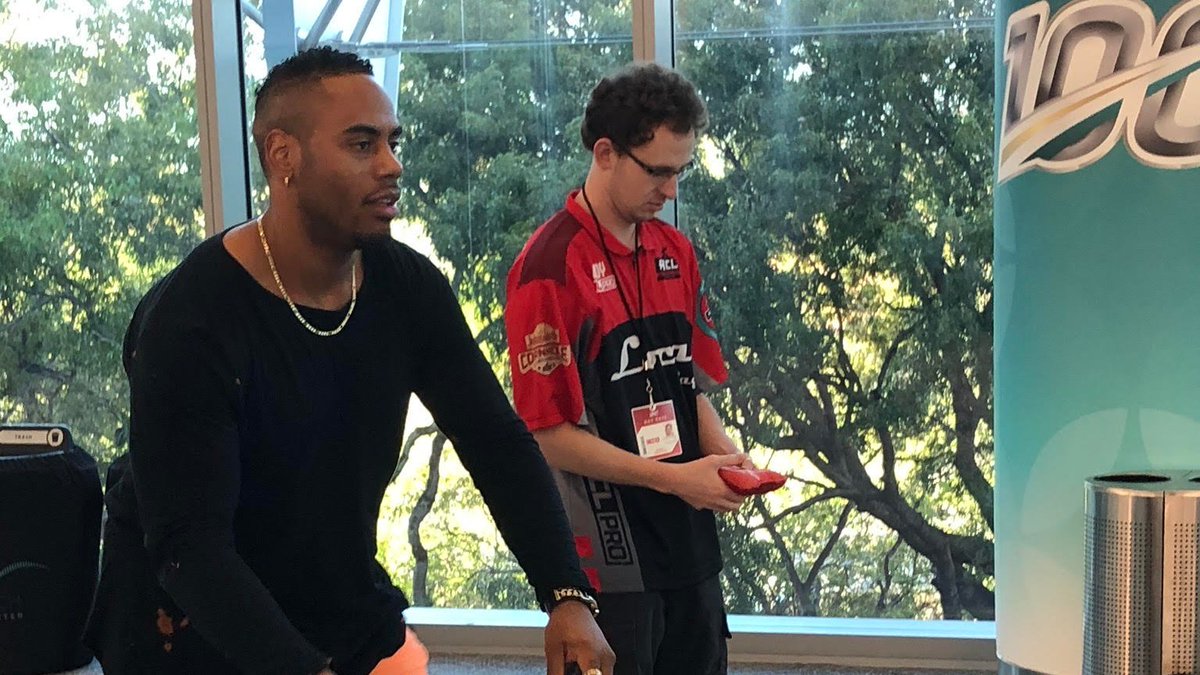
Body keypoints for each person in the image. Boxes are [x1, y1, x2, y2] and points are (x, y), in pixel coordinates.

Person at [83, 47, 613, 675]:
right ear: (284, 156)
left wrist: (566, 594)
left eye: (392, 142)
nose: (392, 165)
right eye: (362, 145)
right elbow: (189, 546)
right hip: (188, 632)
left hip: (338, 602)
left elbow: (496, 442)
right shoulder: (190, 320)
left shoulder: (406, 287)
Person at [503, 62, 751, 675]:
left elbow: (685, 383)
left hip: (689, 548)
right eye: (658, 171)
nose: (671, 191)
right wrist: (675, 479)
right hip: (609, 565)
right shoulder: (549, 269)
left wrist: (723, 454)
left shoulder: (674, 250)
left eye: (681, 171)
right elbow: (549, 437)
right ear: (606, 153)